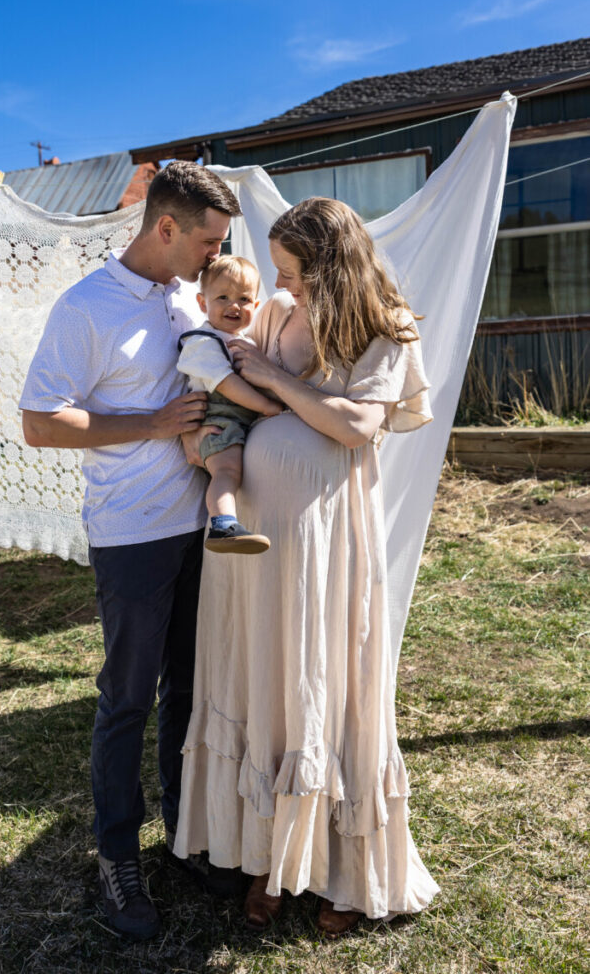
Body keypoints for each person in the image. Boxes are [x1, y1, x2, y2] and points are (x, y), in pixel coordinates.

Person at [174, 197, 440, 935]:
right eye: (280, 272)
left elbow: (355, 425)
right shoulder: (277, 312)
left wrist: (277, 382)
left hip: (322, 535)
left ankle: (342, 871)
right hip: (254, 527)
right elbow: (229, 373)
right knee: (264, 675)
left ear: (330, 263)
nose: (282, 285)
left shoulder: (384, 325)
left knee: (317, 674)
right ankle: (267, 855)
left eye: (293, 271)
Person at [19, 161, 243, 941]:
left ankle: (184, 838)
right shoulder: (86, 308)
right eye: (209, 240)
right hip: (131, 535)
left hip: (198, 529)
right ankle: (117, 854)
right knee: (127, 701)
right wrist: (151, 424)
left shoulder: (192, 294)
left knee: (190, 691)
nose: (217, 256)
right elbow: (40, 422)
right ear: (166, 227)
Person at [177, 255, 282, 554]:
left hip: (241, 420)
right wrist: (266, 406)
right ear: (201, 302)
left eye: (244, 298)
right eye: (223, 297)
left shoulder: (247, 341)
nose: (234, 305)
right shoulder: (202, 341)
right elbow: (226, 384)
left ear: (256, 307)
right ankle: (223, 524)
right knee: (227, 472)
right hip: (219, 420)